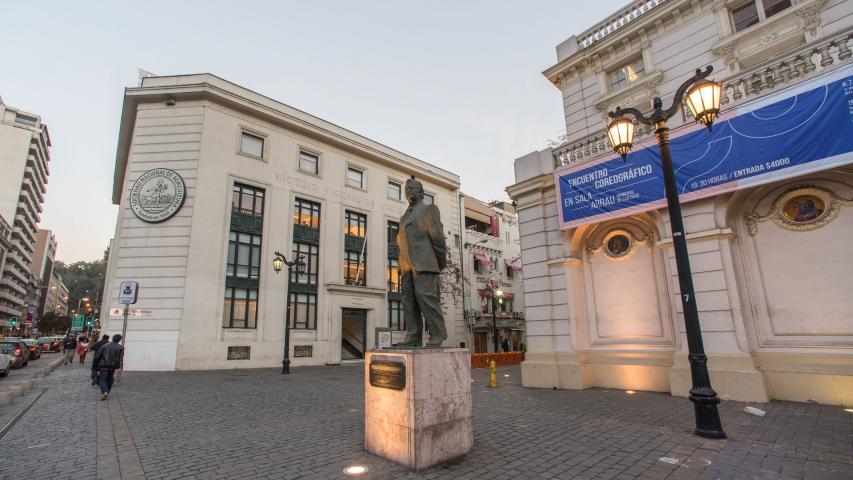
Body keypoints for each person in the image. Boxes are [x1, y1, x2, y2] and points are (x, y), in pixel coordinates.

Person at [394, 176, 448, 347]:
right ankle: (413, 336)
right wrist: (400, 266)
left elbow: (438, 238)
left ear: (421, 192)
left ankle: (438, 333)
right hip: (406, 267)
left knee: (426, 299)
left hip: (424, 263)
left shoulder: (428, 210)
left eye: (412, 189)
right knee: (408, 301)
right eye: (406, 190)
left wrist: (439, 263)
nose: (408, 193)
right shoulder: (403, 218)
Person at [93, 334, 124, 400]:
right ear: (119, 340)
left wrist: (95, 365)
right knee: (109, 379)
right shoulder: (120, 347)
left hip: (103, 365)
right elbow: (121, 358)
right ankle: (107, 391)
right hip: (113, 366)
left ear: (112, 338)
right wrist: (120, 367)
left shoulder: (104, 346)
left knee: (102, 379)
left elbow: (97, 357)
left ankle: (105, 391)